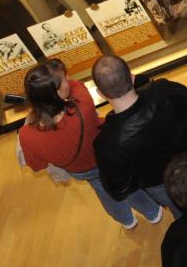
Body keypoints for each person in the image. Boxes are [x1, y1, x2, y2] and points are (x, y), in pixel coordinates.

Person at [91, 55, 187, 219]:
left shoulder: (106, 143)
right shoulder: (163, 90)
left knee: (183, 211)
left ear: (100, 93)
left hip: (160, 184)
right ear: (132, 78)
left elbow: (119, 189)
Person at [18, 59, 163, 229]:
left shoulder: (26, 135)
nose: (68, 79)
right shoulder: (82, 103)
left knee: (104, 192)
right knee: (127, 185)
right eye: (64, 79)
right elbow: (76, 84)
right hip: (110, 158)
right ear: (57, 93)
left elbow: (37, 165)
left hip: (80, 171)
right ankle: (152, 212)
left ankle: (126, 220)